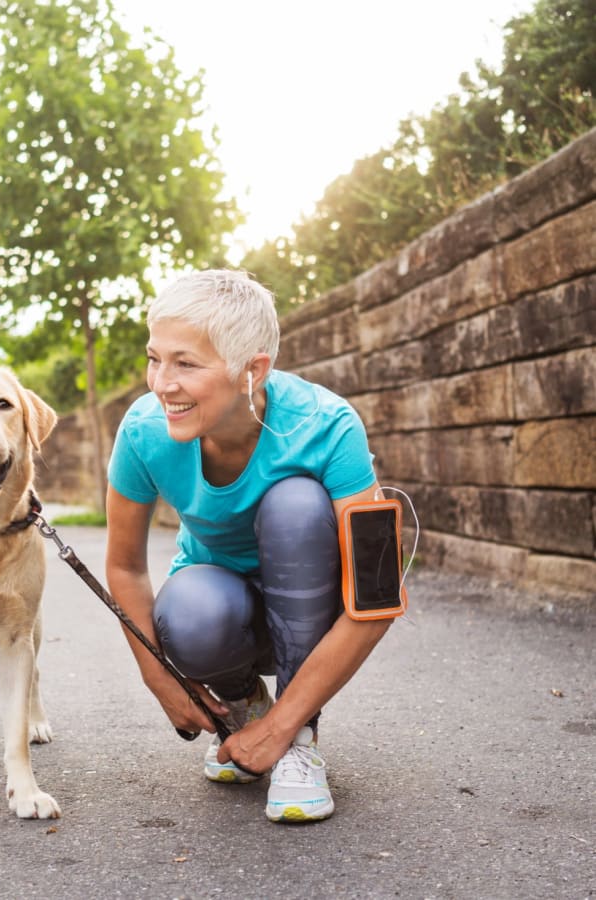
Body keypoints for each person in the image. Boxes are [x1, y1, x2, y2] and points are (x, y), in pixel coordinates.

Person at [104, 268, 393, 823]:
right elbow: (124, 566)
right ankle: (241, 704)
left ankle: (297, 737)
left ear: (252, 371)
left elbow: (376, 597)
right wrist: (162, 680)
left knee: (297, 505)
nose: (161, 383)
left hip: (317, 613)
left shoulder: (328, 425)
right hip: (223, 618)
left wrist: (282, 729)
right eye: (155, 357)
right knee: (188, 611)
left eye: (185, 363)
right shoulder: (143, 431)